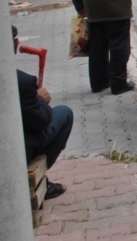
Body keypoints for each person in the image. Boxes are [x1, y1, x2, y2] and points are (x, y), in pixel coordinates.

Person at [13, 25, 73, 200]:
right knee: (63, 113)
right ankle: (36, 181)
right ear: (16, 43)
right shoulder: (21, 81)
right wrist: (39, 99)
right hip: (14, 151)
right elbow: (42, 120)